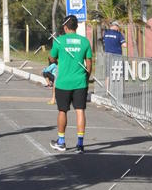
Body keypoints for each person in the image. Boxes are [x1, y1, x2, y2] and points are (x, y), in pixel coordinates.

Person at [49, 14, 92, 153]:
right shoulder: (85, 42)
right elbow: (89, 64)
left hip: (63, 83)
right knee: (80, 111)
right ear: (77, 27)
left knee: (63, 111)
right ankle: (80, 144)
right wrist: (86, 78)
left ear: (65, 27)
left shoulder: (59, 40)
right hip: (80, 82)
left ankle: (61, 142)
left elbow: (52, 58)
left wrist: (53, 59)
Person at [102, 20, 126, 93]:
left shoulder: (106, 33)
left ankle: (107, 90)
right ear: (116, 26)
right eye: (118, 27)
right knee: (118, 73)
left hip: (107, 55)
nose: (118, 28)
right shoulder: (118, 34)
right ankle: (119, 91)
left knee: (108, 74)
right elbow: (124, 45)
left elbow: (104, 42)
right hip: (117, 56)